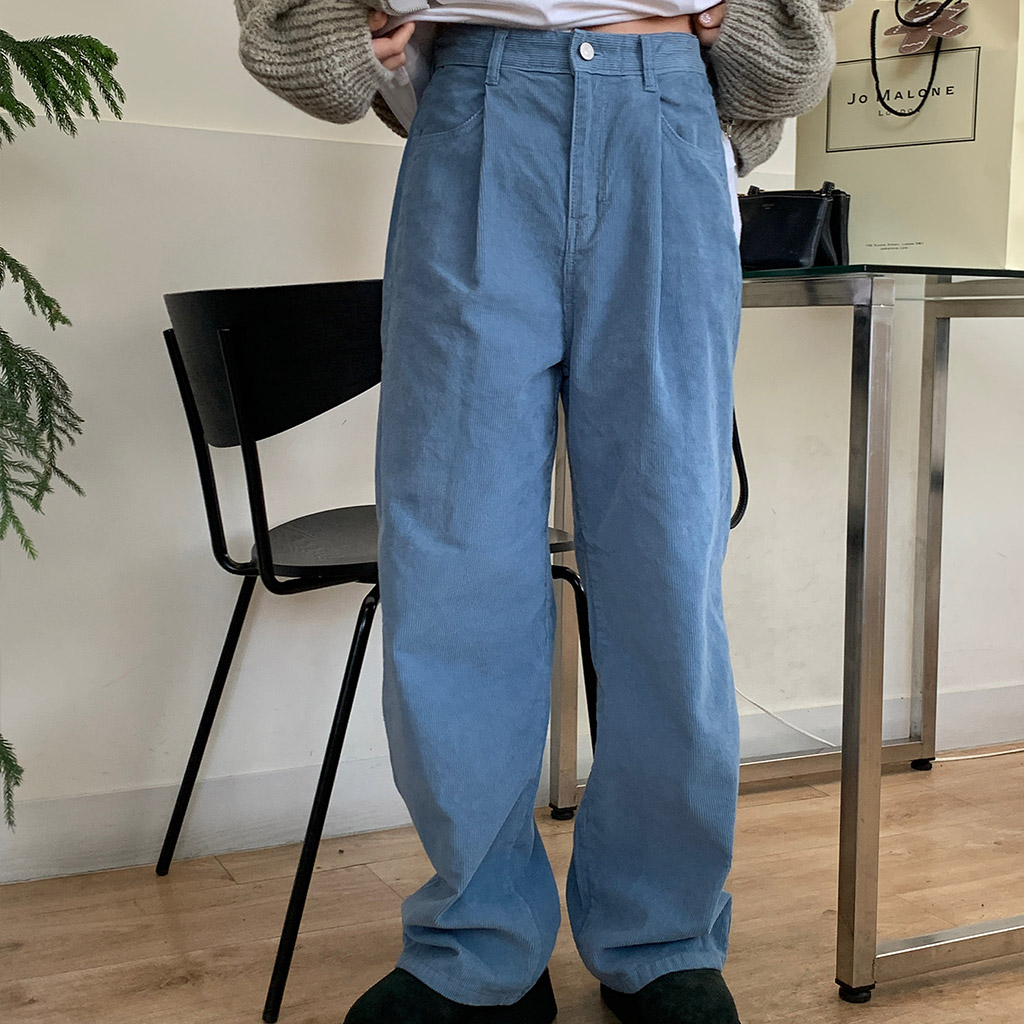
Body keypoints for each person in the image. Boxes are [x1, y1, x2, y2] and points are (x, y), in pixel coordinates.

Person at [231, 3, 852, 1021]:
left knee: (665, 558)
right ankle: (479, 944)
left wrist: (766, 26)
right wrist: (322, 22)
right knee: (454, 556)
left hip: (665, 103)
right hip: (475, 99)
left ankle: (661, 934)